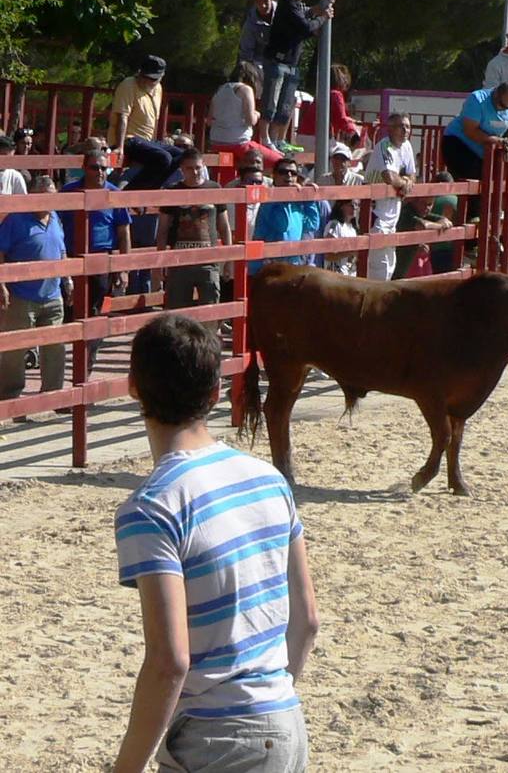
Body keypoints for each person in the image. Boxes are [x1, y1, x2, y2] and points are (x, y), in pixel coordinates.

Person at [112, 314, 318, 772]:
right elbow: (306, 621)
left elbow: (169, 662)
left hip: (215, 740)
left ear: (133, 387)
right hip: (285, 724)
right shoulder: (268, 479)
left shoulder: (151, 507)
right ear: (215, 393)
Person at [0, 175, 70, 407]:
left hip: (52, 293)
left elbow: (61, 251)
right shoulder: (15, 220)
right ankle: (11, 398)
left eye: (51, 197)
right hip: (21, 294)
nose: (47, 202)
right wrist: (2, 284)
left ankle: (53, 396)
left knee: (55, 348)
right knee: (15, 350)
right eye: (43, 197)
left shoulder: (55, 218)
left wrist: (67, 279)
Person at [60, 150, 131, 371]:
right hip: (72, 260)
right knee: (68, 314)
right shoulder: (69, 192)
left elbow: (123, 233)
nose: (100, 172)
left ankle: (85, 367)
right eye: (95, 167)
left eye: (104, 168)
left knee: (95, 315)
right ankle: (62, 371)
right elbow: (55, 225)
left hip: (102, 261)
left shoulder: (114, 194)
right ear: (84, 167)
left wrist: (123, 268)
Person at [261, 0, 335, 145]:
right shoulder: (288, 3)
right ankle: (265, 139)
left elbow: (306, 14)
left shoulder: (299, 5)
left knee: (286, 106)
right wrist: (323, 17)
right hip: (277, 61)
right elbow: (305, 27)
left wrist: (320, 8)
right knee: (271, 103)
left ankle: (278, 140)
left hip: (292, 64)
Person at [155, 149, 232, 310]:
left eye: (197, 167)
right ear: (181, 169)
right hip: (179, 262)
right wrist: (160, 263)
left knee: (210, 309)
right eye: (189, 168)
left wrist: (229, 260)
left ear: (203, 165)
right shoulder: (173, 191)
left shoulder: (214, 189)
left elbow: (224, 227)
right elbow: (162, 230)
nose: (195, 172)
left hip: (208, 262)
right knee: (177, 312)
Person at [441, 84, 508, 181]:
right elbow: (470, 131)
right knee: (473, 180)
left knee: (490, 180)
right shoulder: (477, 100)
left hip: (484, 152)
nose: (504, 109)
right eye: (502, 105)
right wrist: (495, 140)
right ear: (496, 94)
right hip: (459, 143)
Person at [364, 114, 417, 281]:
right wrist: (405, 183)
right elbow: (389, 176)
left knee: (390, 262)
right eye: (400, 126)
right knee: (378, 264)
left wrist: (406, 182)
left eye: (407, 126)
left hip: (393, 210)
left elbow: (412, 174)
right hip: (376, 211)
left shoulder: (406, 146)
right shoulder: (384, 146)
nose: (405, 130)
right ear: (390, 129)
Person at [249, 158, 321, 275]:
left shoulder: (296, 204)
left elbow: (313, 224)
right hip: (266, 269)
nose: (288, 176)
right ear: (274, 176)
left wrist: (309, 199)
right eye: (283, 172)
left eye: (293, 173)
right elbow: (283, 225)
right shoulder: (268, 202)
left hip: (290, 267)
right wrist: (288, 196)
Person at [296, 63, 360, 152]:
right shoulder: (336, 94)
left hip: (304, 137)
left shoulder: (322, 94)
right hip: (316, 139)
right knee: (345, 151)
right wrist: (354, 130)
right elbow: (341, 119)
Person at [108, 56, 166, 154]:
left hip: (147, 142)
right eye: (144, 76)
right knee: (164, 157)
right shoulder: (128, 84)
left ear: (161, 76)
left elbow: (154, 120)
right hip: (129, 140)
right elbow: (122, 116)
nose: (147, 81)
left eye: (152, 79)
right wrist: (119, 147)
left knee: (180, 155)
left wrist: (154, 143)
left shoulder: (158, 88)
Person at [237, 0, 275, 73]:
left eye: (266, 2)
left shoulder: (283, 12)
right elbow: (246, 50)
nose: (263, 6)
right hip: (260, 62)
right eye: (259, 3)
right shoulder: (251, 23)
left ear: (271, 0)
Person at [323, 200, 359, 276]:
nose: (355, 208)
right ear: (342, 206)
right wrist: (350, 252)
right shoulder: (335, 225)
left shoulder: (353, 229)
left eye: (357, 205)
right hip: (336, 275)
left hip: (351, 274)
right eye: (352, 205)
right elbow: (327, 255)